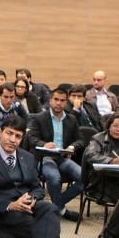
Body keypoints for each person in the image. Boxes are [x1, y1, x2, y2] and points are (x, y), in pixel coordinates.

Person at [27, 88, 84, 221]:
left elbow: (81, 139)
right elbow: (32, 138)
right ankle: (61, 210)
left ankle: (56, 205)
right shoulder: (40, 118)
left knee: (84, 178)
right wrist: (43, 144)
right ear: (50, 100)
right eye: (56, 99)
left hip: (63, 157)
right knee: (54, 177)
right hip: (45, 157)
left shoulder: (71, 119)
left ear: (66, 102)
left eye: (62, 100)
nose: (59, 103)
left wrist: (72, 147)